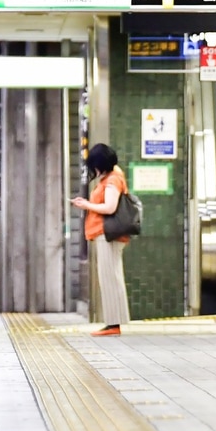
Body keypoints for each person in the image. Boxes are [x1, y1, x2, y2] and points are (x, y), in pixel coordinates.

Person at [71, 143, 131, 337]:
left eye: (95, 165)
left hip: (108, 235)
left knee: (109, 278)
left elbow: (110, 207)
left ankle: (113, 324)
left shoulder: (112, 180)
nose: (94, 170)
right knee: (111, 276)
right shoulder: (111, 176)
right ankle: (114, 322)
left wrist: (86, 204)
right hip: (105, 235)